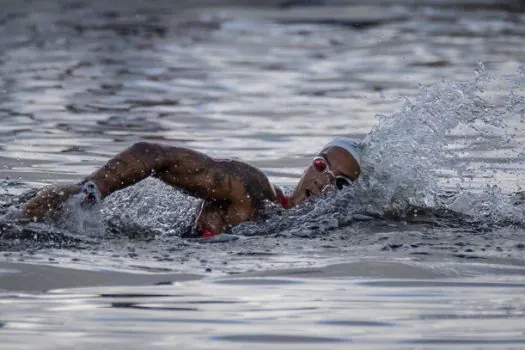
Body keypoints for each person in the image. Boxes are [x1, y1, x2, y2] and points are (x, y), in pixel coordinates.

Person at [21, 138, 362, 237]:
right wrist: (89, 195)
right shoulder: (252, 190)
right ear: (309, 165)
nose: (323, 183)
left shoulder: (314, 232)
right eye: (322, 166)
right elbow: (151, 154)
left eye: (342, 184)